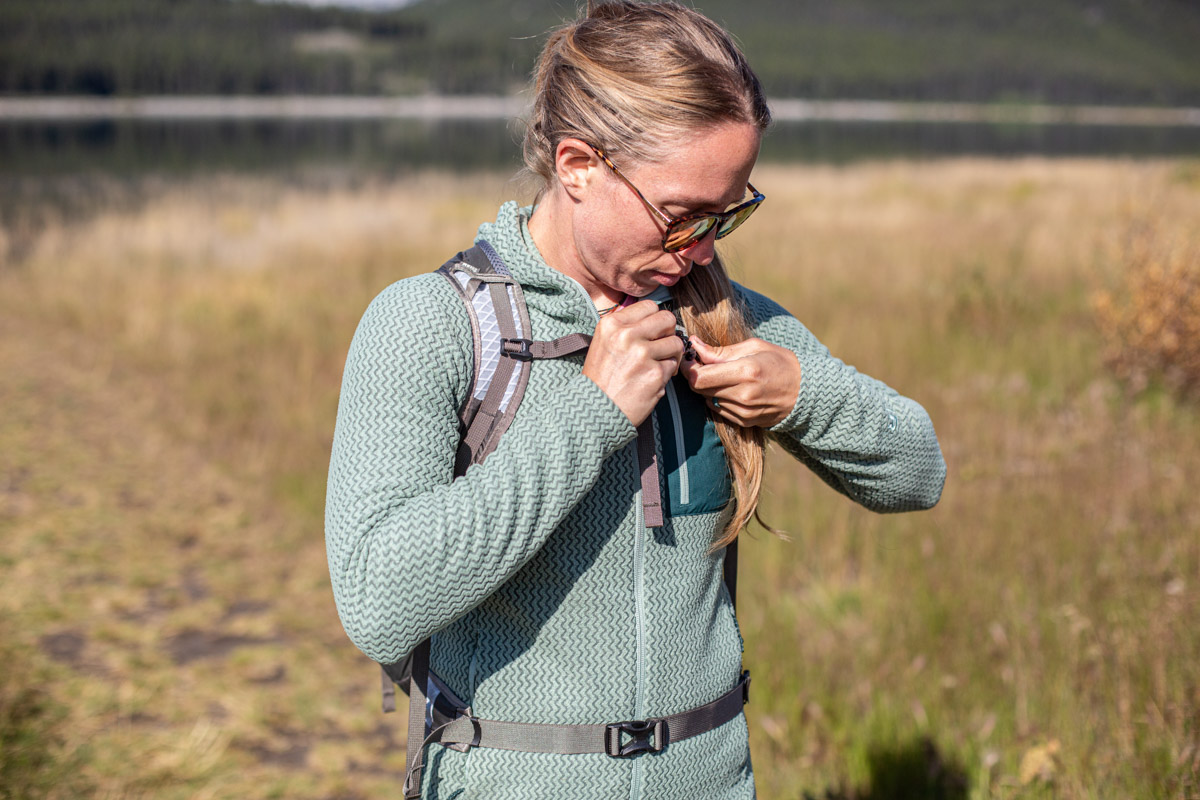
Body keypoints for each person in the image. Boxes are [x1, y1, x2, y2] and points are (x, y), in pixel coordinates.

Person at [325, 2, 946, 798]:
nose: (705, 249)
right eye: (681, 215)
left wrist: (804, 394)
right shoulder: (429, 324)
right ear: (578, 165)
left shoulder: (721, 314)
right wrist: (591, 417)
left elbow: (917, 471)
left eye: (730, 213)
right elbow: (379, 602)